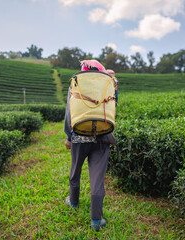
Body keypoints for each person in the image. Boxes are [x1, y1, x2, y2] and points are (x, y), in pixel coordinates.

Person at [64, 60, 117, 232]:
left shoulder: (77, 83)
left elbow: (69, 113)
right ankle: (96, 219)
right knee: (97, 179)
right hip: (103, 137)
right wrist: (115, 87)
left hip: (80, 136)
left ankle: (73, 202)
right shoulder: (107, 83)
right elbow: (113, 109)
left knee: (75, 170)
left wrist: (68, 136)